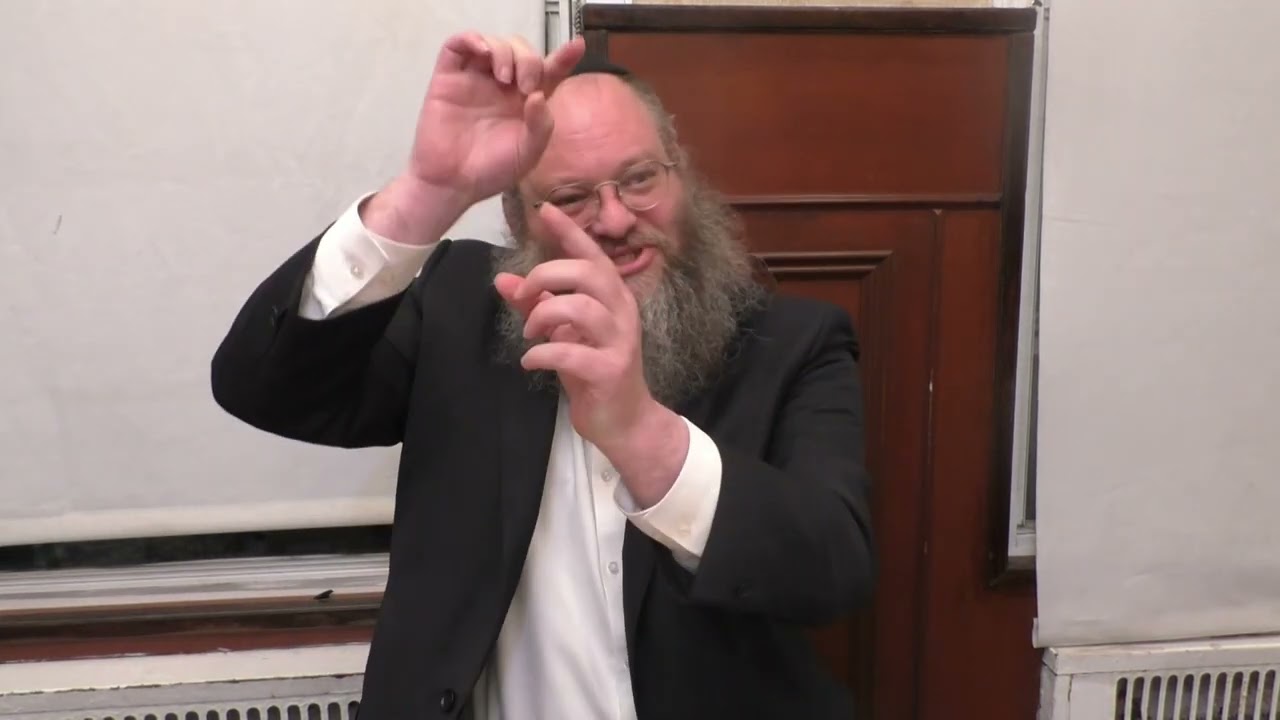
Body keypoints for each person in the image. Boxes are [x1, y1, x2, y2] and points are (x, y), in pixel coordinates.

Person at [211, 31, 874, 720]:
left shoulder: (794, 343)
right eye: (572, 196)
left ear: (680, 171)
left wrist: (641, 433)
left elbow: (832, 570)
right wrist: (427, 195)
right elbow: (262, 387)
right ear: (517, 218)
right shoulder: (460, 305)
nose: (615, 219)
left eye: (640, 178)